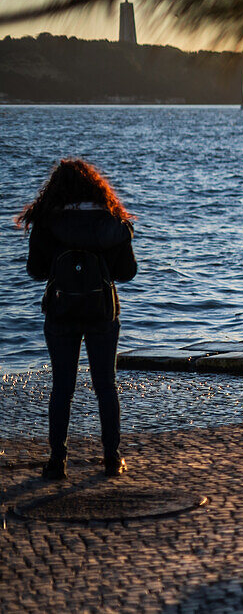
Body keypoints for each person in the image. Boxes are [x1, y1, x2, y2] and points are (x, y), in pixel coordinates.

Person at [16, 159, 137, 480]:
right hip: (102, 312)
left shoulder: (47, 222)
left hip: (60, 311)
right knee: (105, 386)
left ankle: (57, 462)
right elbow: (128, 273)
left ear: (56, 188)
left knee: (62, 387)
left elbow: (35, 270)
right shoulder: (112, 222)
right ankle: (112, 459)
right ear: (96, 187)